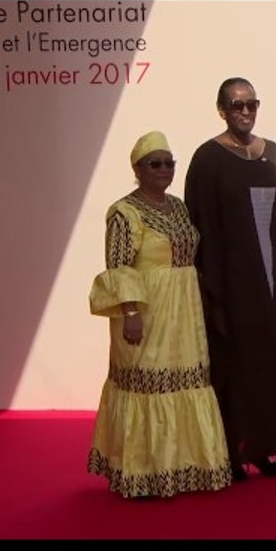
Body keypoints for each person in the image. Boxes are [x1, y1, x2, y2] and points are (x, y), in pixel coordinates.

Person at [185, 77, 276, 481]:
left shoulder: (274, 153)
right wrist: (210, 290)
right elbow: (200, 228)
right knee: (237, 370)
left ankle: (266, 449)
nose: (245, 112)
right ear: (222, 110)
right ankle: (232, 453)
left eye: (251, 104)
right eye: (236, 105)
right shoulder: (208, 159)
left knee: (275, 367)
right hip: (234, 287)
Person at [87, 130, 232, 498]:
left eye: (169, 163)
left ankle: (186, 467)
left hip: (184, 312)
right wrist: (131, 312)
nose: (164, 169)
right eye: (155, 163)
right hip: (147, 310)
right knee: (147, 383)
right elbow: (118, 267)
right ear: (137, 168)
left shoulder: (179, 206)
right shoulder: (124, 212)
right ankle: (146, 473)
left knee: (187, 382)